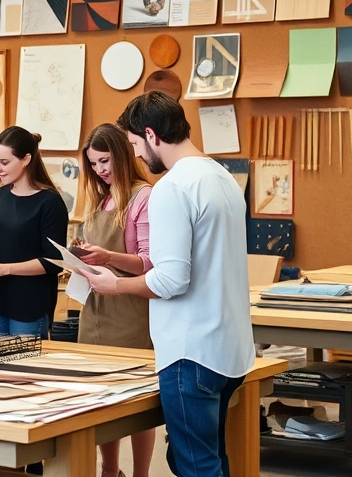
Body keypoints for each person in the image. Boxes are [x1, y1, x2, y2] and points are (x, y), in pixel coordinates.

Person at [81, 92, 255, 477]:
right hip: (227, 347)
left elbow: (171, 279)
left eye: (135, 146)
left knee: (196, 465)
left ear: (151, 135)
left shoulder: (172, 188)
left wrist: (116, 286)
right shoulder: (221, 176)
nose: (139, 156)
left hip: (190, 352)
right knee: (204, 459)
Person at [78, 123, 155, 477]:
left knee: (136, 403)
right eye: (94, 164)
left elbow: (149, 262)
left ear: (123, 154)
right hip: (94, 311)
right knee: (98, 400)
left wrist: (107, 257)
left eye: (105, 161)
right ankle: (110, 471)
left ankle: (139, 473)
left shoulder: (143, 197)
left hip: (129, 310)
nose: (101, 171)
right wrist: (79, 263)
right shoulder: (99, 198)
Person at [0, 126, 67, 337]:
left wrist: (3, 269)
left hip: (28, 306)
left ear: (26, 159)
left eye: (4, 162)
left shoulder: (50, 203)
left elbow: (53, 262)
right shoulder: (0, 195)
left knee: (23, 369)